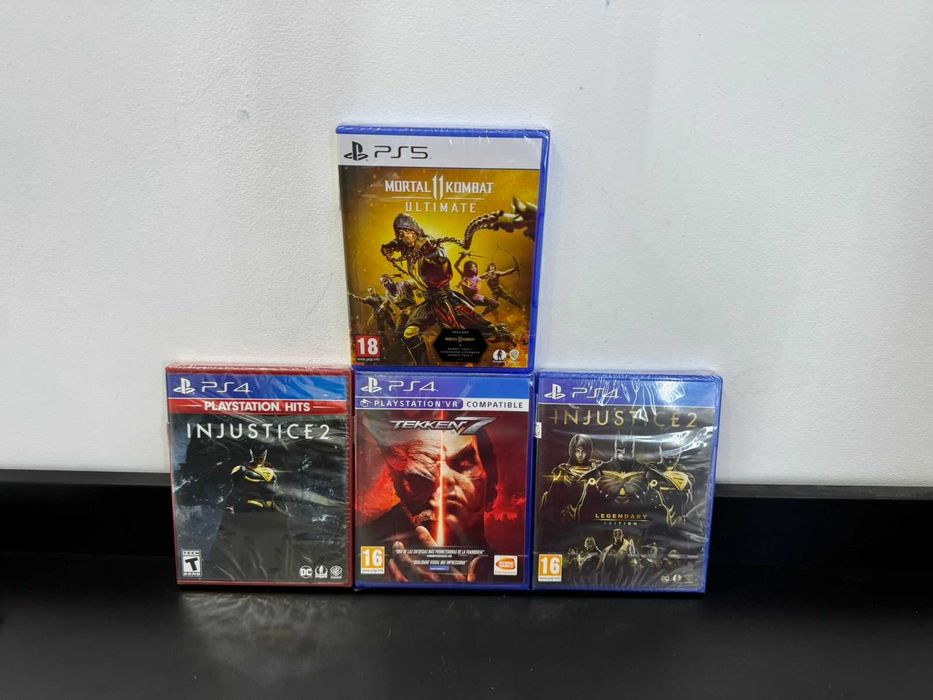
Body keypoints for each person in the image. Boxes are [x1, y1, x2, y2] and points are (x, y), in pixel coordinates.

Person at [359, 422, 501, 583]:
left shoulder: (514, 576)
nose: (442, 477)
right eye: (420, 474)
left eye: (464, 464)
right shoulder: (365, 556)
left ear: (492, 487)